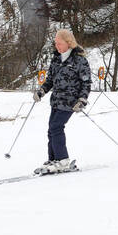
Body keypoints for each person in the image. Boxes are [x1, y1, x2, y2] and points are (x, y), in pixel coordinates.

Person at [33, 29, 91, 174]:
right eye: (56, 43)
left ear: (68, 42)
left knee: (56, 127)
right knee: (51, 128)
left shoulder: (79, 60)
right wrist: (41, 91)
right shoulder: (56, 59)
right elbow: (50, 80)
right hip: (56, 101)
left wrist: (82, 100)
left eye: (60, 43)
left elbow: (86, 83)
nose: (57, 46)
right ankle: (53, 159)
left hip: (71, 102)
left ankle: (63, 160)